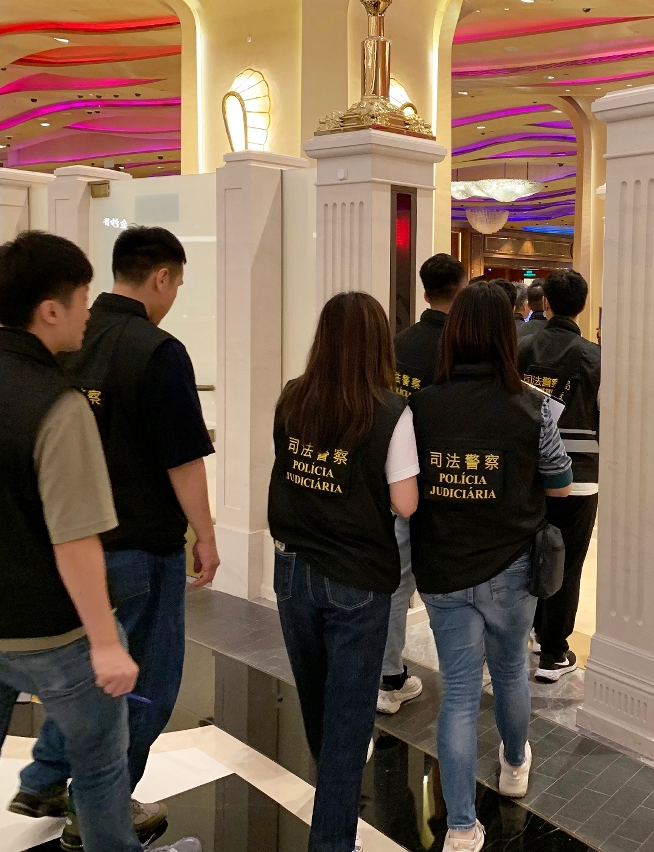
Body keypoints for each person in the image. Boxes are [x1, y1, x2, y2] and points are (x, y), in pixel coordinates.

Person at [0, 231, 143, 852]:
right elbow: (76, 541)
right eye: (83, 299)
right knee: (101, 775)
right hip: (51, 637)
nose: (89, 312)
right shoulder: (58, 407)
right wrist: (106, 644)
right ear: (50, 310)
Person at [15, 226, 219, 848]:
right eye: (176, 284)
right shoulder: (158, 351)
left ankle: (45, 778)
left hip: (67, 544)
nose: (174, 296)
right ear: (161, 276)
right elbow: (182, 460)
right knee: (144, 683)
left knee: (85, 670)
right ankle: (99, 810)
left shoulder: (65, 340)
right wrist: (206, 535)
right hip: (140, 548)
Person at [410, 281, 572, 852]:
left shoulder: (422, 406)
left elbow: (405, 486)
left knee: (457, 692)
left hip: (443, 566)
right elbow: (561, 480)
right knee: (509, 673)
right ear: (508, 335)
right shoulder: (531, 405)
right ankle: (514, 766)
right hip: (512, 566)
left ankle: (459, 828)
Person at [268, 291, 420, 852]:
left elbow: (287, 465)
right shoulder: (390, 411)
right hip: (357, 577)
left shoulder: (293, 397)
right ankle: (332, 840)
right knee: (349, 721)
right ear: (379, 345)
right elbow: (405, 503)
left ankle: (334, 801)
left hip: (293, 569)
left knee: (317, 702)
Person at [381, 253, 466, 715]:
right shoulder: (457, 348)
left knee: (396, 582)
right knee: (449, 584)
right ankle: (460, 678)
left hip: (395, 478)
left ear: (425, 290)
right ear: (462, 287)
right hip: (442, 482)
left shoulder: (399, 343)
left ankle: (389, 674)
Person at [518, 270, 600, 682]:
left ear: (545, 303)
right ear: (582, 305)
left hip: (528, 472)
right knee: (568, 561)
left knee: (529, 552)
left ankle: (532, 631)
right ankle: (553, 652)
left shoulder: (523, 348)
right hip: (580, 476)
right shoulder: (594, 357)